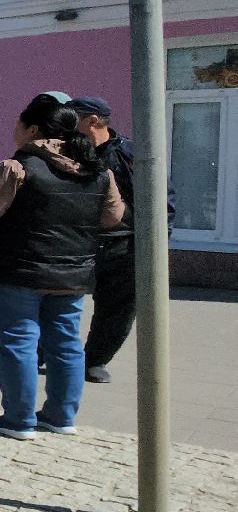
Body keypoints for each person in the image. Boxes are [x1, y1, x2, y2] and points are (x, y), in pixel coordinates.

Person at [0, 93, 124, 440]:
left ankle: (18, 420)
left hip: (17, 270)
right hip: (73, 272)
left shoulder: (17, 168)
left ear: (32, 128)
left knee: (19, 342)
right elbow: (113, 217)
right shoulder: (97, 171)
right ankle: (61, 416)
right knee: (66, 344)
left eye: (18, 125)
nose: (15, 131)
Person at [68, 96, 159, 385]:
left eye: (73, 119)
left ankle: (95, 360)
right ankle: (48, 351)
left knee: (118, 307)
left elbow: (159, 200)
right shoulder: (64, 152)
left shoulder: (131, 154)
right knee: (55, 299)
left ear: (92, 121)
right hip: (73, 241)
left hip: (122, 245)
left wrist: (157, 246)